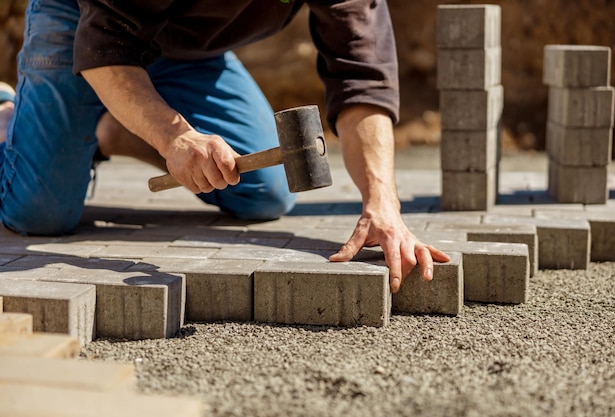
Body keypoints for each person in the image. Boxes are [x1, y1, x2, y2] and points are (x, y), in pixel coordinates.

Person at [0, 0, 449, 293]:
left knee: (263, 192)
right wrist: (174, 136)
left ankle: (114, 127)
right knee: (39, 214)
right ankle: (7, 114)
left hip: (191, 48)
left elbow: (361, 75)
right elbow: (106, 44)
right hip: (86, 22)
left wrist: (383, 205)